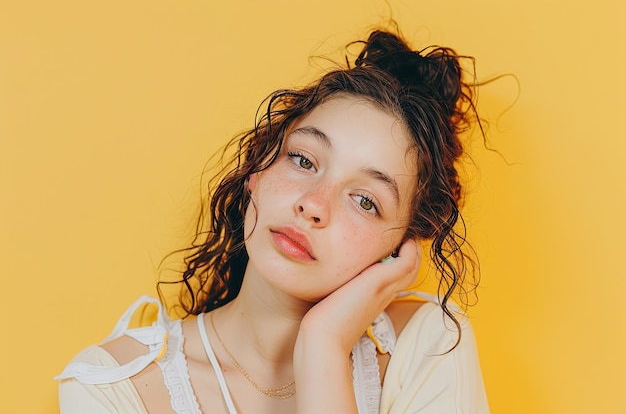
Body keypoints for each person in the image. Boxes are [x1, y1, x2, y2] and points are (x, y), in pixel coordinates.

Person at [56, 27, 490, 414]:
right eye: (303, 160)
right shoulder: (112, 387)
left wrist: (324, 345)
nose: (314, 205)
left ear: (399, 247)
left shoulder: (429, 344)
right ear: (258, 168)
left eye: (364, 200)